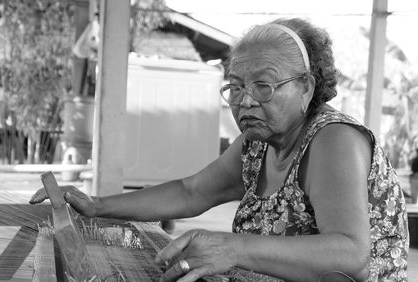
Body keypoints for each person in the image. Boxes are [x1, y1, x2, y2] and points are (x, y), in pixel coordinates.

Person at [30, 18, 409, 281]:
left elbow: (351, 256)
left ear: (307, 87)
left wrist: (234, 249)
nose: (245, 102)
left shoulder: (333, 140)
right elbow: (192, 192)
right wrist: (97, 206)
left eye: (264, 86)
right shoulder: (257, 145)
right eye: (236, 87)